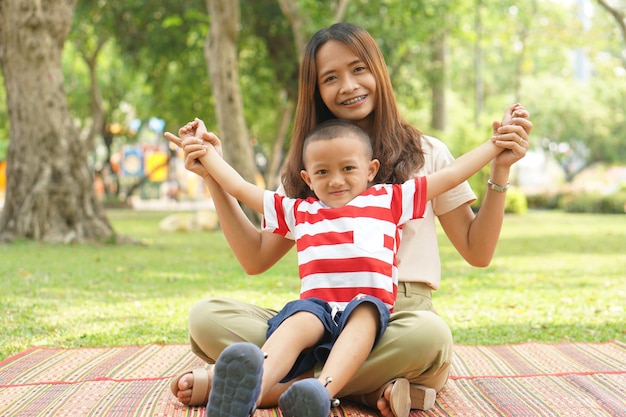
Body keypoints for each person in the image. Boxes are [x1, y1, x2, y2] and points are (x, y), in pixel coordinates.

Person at [165, 22, 532, 417]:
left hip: (400, 317)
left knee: (429, 336)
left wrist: (500, 170)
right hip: (319, 316)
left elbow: (478, 251)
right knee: (206, 318)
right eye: (330, 78)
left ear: (378, 70)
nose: (348, 85)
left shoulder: (427, 152)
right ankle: (372, 387)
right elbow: (255, 259)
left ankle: (258, 388)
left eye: (358, 69)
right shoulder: (308, 166)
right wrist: (212, 178)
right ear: (317, 91)